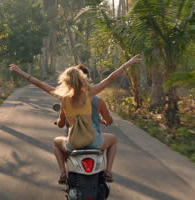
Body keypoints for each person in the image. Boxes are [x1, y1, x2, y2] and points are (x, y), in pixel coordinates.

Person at [9, 55, 141, 184]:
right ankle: (108, 171)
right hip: (94, 141)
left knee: (56, 142)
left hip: (73, 143)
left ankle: (63, 173)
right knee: (113, 139)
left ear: (66, 81)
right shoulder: (90, 94)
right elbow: (110, 78)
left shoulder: (63, 98)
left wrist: (20, 71)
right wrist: (128, 63)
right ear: (82, 79)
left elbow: (40, 84)